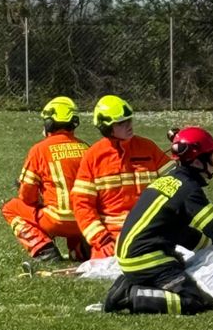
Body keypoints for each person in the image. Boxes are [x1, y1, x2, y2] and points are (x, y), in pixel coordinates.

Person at [103, 126, 213, 314]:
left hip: (132, 256)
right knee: (192, 300)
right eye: (212, 157)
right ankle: (131, 296)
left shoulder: (170, 180)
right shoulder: (189, 189)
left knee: (181, 268)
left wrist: (207, 248)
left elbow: (178, 230)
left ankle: (130, 282)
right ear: (197, 162)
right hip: (146, 259)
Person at [72, 95, 171, 259]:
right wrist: (101, 240)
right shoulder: (94, 156)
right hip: (112, 237)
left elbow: (176, 183)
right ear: (106, 127)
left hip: (152, 230)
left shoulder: (148, 147)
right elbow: (82, 204)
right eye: (121, 123)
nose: (129, 125)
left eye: (129, 120)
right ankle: (83, 249)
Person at [1, 96, 89, 275]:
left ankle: (44, 249)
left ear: (49, 124)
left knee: (10, 208)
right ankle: (80, 249)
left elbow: (26, 195)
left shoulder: (39, 150)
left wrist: (38, 201)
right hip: (85, 221)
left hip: (55, 220)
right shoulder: (86, 148)